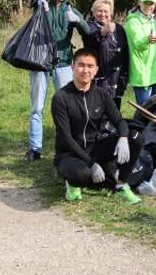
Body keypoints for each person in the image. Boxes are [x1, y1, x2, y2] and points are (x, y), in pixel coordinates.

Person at [51, 48, 142, 205]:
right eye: (81, 65)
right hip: (69, 153)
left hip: (95, 147)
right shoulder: (61, 98)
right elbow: (66, 138)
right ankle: (72, 184)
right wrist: (91, 164)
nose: (85, 70)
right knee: (82, 175)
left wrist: (123, 137)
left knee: (136, 138)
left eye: (90, 66)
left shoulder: (102, 94)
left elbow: (119, 120)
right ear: (72, 67)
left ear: (96, 70)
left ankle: (120, 184)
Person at [25, 0, 90, 161]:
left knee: (67, 107)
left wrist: (77, 20)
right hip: (40, 63)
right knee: (37, 107)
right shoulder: (43, 6)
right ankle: (35, 149)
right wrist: (38, 0)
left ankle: (67, 147)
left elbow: (88, 31)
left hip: (62, 64)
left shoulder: (70, 10)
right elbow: (34, 3)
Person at [82, 0, 129, 109]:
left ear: (111, 13)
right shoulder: (89, 26)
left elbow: (125, 53)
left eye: (106, 11)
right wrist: (103, 31)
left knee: (114, 113)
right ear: (93, 12)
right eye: (99, 11)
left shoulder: (119, 28)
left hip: (116, 79)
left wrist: (124, 75)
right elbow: (90, 38)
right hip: (99, 79)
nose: (103, 14)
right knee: (97, 112)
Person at [124, 0, 156, 106]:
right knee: (144, 111)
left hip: (155, 74)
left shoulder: (155, 23)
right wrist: (147, 40)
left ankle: (152, 125)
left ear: (155, 5)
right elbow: (137, 43)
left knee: (154, 111)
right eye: (145, 2)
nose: (148, 6)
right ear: (139, 3)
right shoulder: (132, 22)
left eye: (151, 3)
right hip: (142, 74)